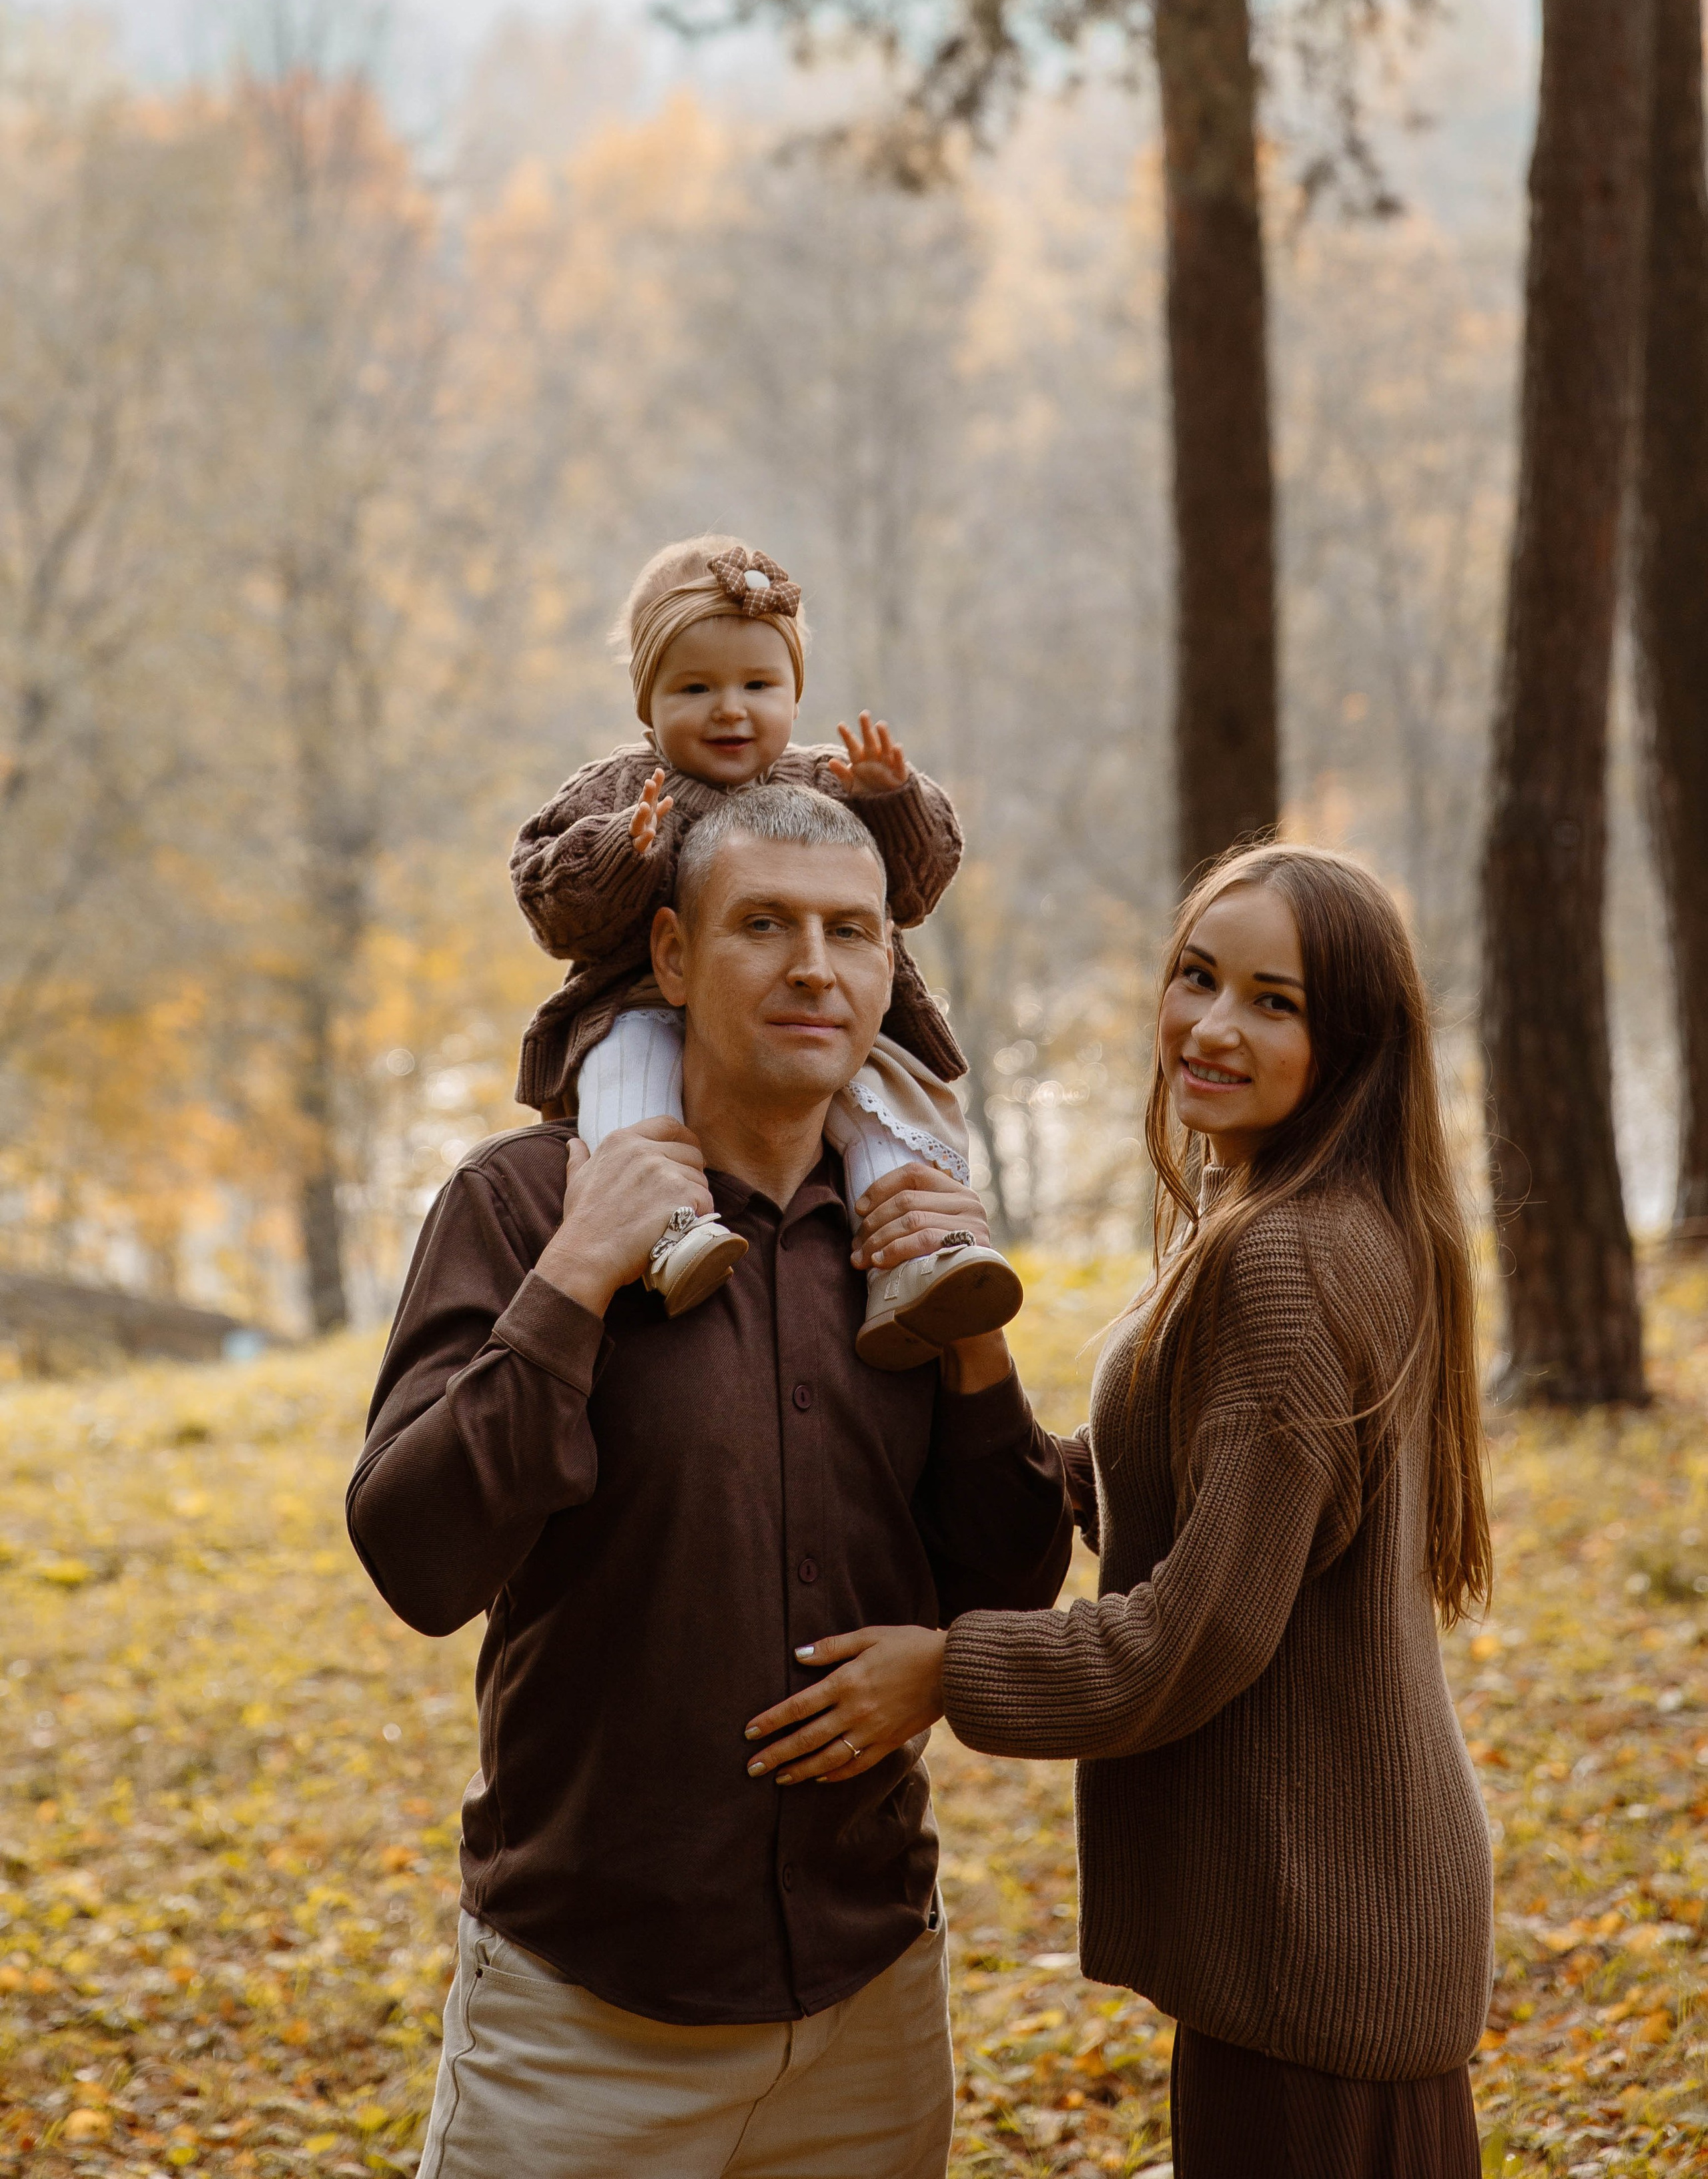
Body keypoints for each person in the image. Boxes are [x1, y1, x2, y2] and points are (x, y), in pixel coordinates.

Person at [346, 783, 1073, 2179]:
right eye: (764, 926)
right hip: (579, 2028)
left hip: (867, 2015)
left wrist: (973, 1339)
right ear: (672, 957)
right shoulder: (516, 1207)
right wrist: (571, 1279)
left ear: (884, 969)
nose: (813, 966)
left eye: (850, 933)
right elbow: (415, 1560)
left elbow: (1003, 1582)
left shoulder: (916, 1233)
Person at [744, 843, 1496, 2178]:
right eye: (1195, 977)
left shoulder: (1287, 1257)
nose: (1210, 1026)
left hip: (1323, 1930)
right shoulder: (1285, 1213)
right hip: (1322, 1922)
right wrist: (968, 1342)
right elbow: (1152, 1485)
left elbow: (1190, 1635)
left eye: (1274, 1001)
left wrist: (943, 1673)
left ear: (1354, 1043)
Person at [507, 530, 1022, 1365]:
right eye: (695, 687)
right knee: (625, 1078)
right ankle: (666, 1224)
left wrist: (890, 800)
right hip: (640, 1002)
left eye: (758, 683)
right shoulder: (613, 791)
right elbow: (549, 905)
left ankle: (917, 1253)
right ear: (647, 704)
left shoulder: (827, 780)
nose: (730, 709)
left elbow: (916, 889)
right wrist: (623, 853)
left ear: (796, 691)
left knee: (885, 1098)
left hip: (799, 1026)